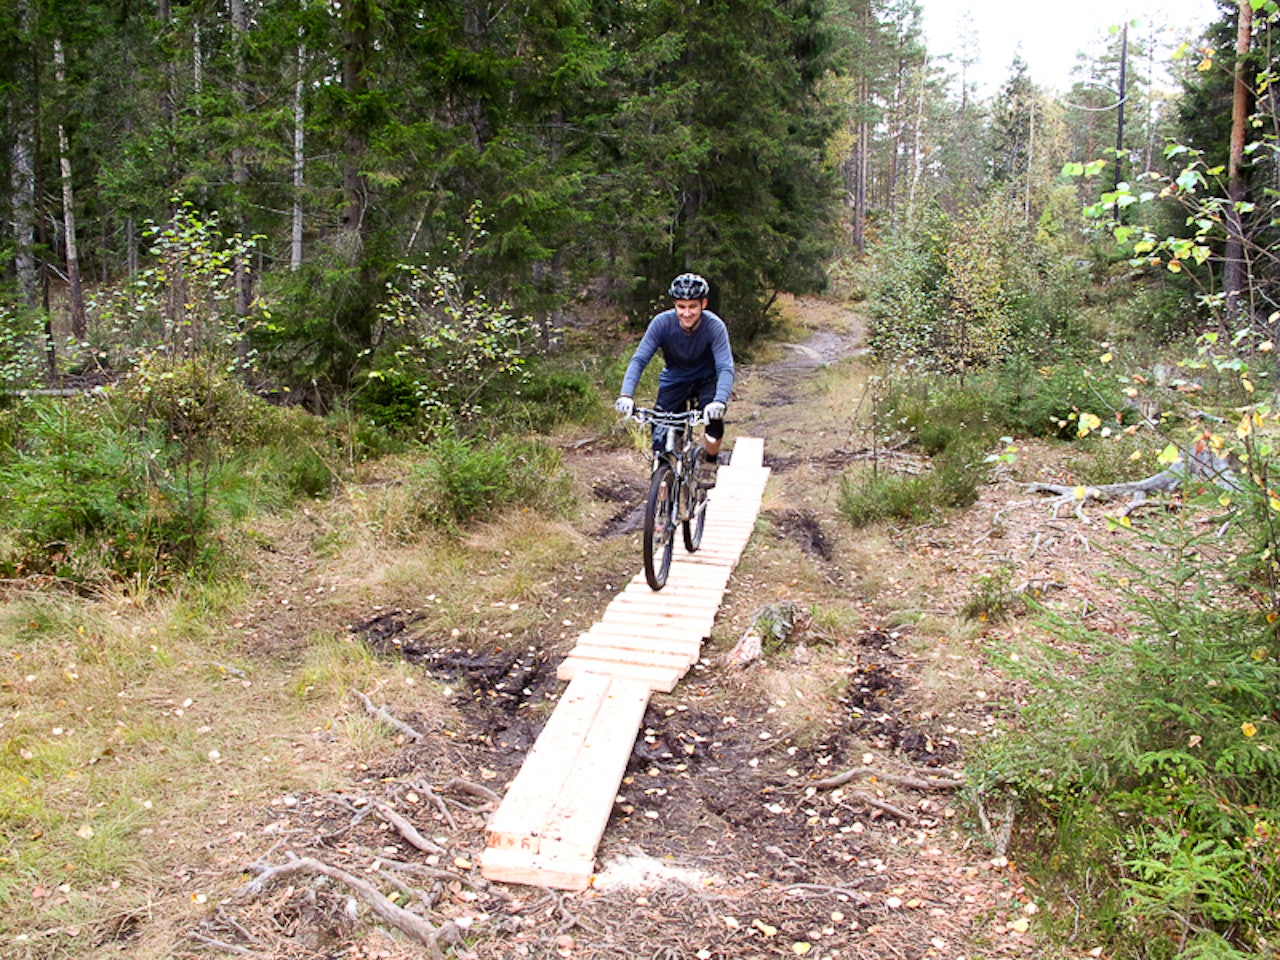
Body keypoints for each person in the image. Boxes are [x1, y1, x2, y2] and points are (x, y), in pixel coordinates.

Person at [615, 273, 734, 488]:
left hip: (707, 380)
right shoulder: (662, 323)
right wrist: (626, 395)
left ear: (703, 304)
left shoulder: (715, 327)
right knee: (660, 439)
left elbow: (725, 367)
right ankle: (663, 498)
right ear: (674, 305)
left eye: (692, 307)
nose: (686, 313)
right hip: (675, 380)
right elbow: (639, 359)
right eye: (681, 306)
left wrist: (720, 401)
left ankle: (710, 461)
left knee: (713, 423)